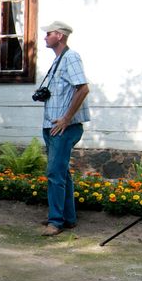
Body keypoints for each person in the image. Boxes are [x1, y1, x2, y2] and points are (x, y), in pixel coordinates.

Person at [38, 20, 90, 236]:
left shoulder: (71, 57)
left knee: (54, 173)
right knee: (62, 173)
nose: (45, 37)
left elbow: (83, 89)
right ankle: (68, 218)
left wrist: (66, 119)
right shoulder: (58, 60)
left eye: (48, 33)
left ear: (59, 35)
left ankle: (55, 221)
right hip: (52, 126)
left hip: (63, 128)